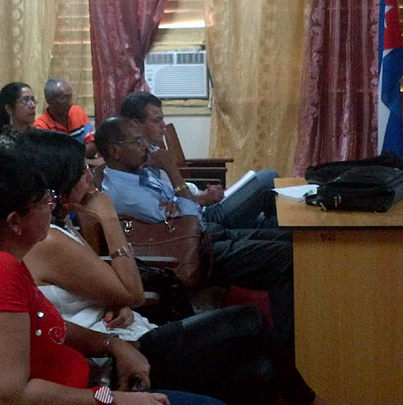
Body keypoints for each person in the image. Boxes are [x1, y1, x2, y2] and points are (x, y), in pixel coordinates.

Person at [17, 130, 372, 405]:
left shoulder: (61, 224)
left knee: (258, 370)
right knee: (248, 319)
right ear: (59, 181)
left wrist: (114, 299)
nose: (92, 175)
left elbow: (109, 286)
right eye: (81, 170)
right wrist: (109, 219)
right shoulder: (50, 239)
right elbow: (134, 293)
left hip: (127, 334)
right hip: (119, 358)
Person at [0, 153, 232, 405]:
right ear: (15, 222)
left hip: (81, 396)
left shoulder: (5, 261)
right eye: (44, 200)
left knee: (232, 388)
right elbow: (11, 400)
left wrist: (113, 345)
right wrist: (115, 402)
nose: (52, 205)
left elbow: (47, 325)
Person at [96, 117, 296, 347]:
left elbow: (184, 207)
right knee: (286, 258)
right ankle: (290, 350)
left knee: (293, 239)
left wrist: (179, 204)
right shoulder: (124, 192)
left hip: (204, 234)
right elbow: (190, 215)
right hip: (191, 252)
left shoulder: (140, 173)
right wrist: (171, 169)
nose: (145, 147)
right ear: (115, 151)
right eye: (137, 141)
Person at [120, 91, 279, 229]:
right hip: (203, 218)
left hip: (200, 206)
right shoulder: (137, 160)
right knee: (267, 177)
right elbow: (168, 201)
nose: (163, 126)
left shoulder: (153, 149)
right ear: (135, 123)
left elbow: (173, 188)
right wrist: (202, 199)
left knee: (276, 226)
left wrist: (202, 193)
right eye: (156, 121)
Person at [34, 78, 97, 158]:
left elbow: (93, 146)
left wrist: (70, 158)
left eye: (70, 97)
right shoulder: (40, 127)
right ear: (50, 101)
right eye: (65, 98)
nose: (70, 102)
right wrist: (82, 159)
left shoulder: (78, 112)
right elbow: (51, 159)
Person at [0, 82, 40, 153]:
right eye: (26, 100)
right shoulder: (5, 145)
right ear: (9, 109)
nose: (33, 105)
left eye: (33, 100)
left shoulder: (37, 134)